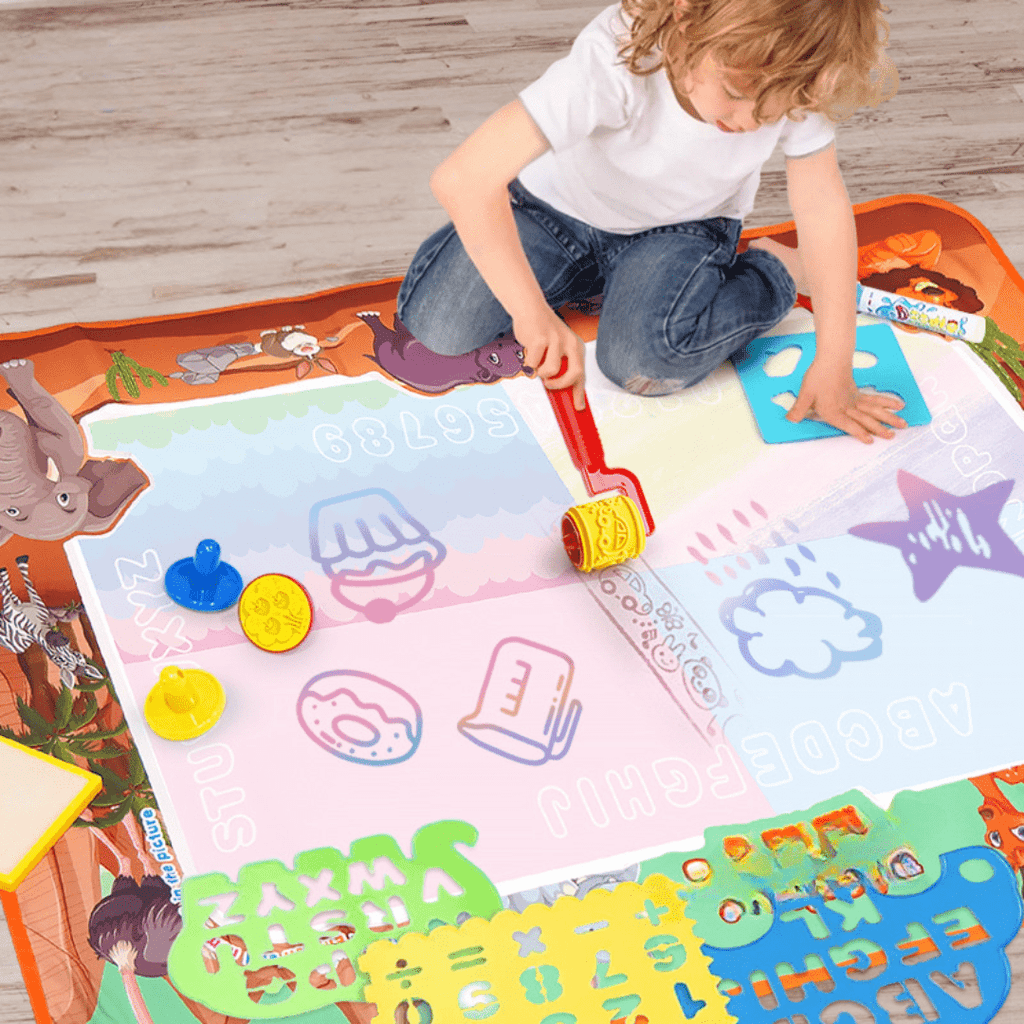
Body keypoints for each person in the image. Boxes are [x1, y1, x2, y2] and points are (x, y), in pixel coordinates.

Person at [396, 0, 905, 443]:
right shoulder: (616, 59)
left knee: (646, 364)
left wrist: (836, 359)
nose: (749, 122)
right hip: (550, 212)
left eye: (771, 113)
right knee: (437, 332)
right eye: (734, 91)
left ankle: (775, 270)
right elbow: (463, 179)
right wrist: (530, 311)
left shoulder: (795, 71)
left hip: (681, 229)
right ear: (686, 18)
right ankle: (567, 281)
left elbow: (821, 205)